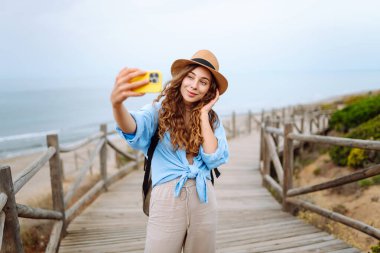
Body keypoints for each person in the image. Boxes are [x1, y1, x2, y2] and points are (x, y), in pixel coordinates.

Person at [110, 49, 229, 253]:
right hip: (167, 198)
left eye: (203, 81)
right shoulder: (158, 110)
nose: (194, 85)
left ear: (210, 89)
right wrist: (117, 104)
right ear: (181, 78)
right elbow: (133, 128)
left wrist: (203, 114)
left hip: (204, 198)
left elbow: (214, 158)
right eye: (190, 77)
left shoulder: (211, 119)